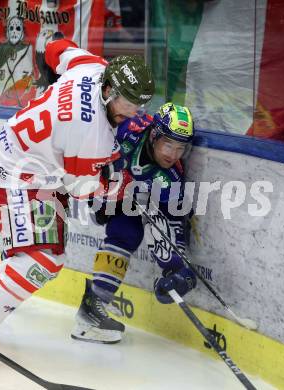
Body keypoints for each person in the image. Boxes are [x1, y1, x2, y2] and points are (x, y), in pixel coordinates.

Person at [0, 34, 154, 371]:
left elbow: (54, 46)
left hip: (31, 159)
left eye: (141, 103)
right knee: (44, 258)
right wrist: (115, 186)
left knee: (40, 251)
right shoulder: (92, 136)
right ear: (111, 91)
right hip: (21, 177)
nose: (137, 111)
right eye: (130, 103)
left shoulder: (93, 67)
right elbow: (83, 189)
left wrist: (57, 97)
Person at [71, 102, 197, 344]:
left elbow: (174, 224)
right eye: (168, 144)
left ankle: (92, 310)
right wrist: (93, 190)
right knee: (120, 226)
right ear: (154, 135)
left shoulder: (171, 179)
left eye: (181, 147)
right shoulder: (128, 129)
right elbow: (88, 140)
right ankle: (91, 309)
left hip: (128, 200)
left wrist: (180, 271)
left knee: (129, 230)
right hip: (95, 185)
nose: (173, 154)